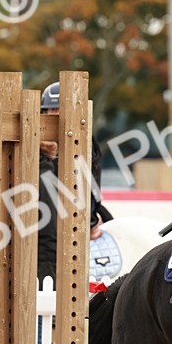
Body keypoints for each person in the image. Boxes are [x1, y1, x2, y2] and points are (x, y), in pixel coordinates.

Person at [39, 81, 114, 234]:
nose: (56, 115)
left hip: (76, 220)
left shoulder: (85, 144)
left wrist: (91, 222)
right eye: (52, 110)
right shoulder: (34, 144)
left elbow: (91, 186)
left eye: (60, 109)